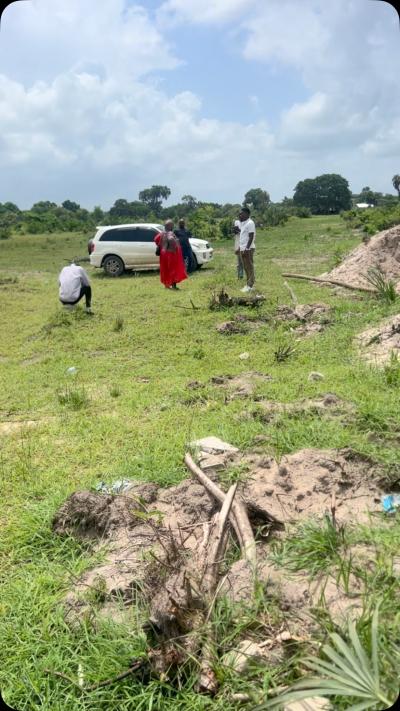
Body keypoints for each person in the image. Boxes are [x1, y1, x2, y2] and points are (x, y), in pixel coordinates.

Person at [154, 219, 187, 290]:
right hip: (170, 254)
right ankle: (174, 286)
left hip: (163, 254)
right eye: (172, 225)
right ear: (170, 226)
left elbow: (156, 239)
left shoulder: (162, 233)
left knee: (165, 269)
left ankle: (166, 285)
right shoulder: (170, 233)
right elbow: (171, 239)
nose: (173, 226)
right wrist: (175, 246)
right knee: (173, 269)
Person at [238, 207, 256, 292]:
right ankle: (248, 284)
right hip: (243, 249)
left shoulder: (250, 223)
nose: (239, 215)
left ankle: (250, 286)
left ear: (247, 214)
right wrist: (240, 248)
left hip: (248, 249)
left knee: (249, 267)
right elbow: (243, 237)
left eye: (241, 213)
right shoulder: (243, 224)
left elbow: (251, 236)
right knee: (246, 267)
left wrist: (247, 248)